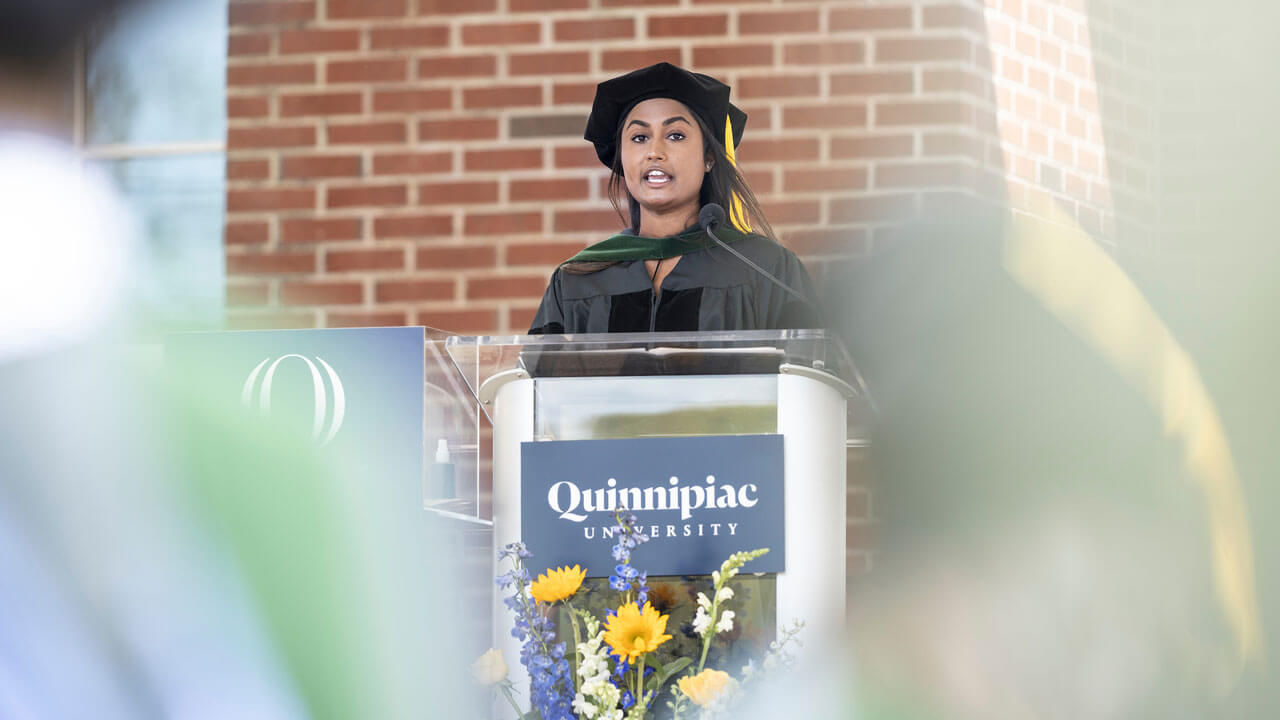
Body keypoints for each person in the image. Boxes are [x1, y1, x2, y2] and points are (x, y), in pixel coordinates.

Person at [529, 63, 821, 334]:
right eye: (639, 138)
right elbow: (534, 383)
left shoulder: (765, 269)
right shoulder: (577, 280)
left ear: (709, 157)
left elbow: (812, 375)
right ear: (621, 158)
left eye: (676, 135)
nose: (654, 151)